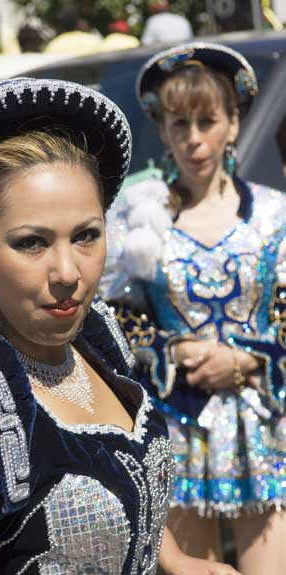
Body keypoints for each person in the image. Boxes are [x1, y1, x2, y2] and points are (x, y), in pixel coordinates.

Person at [0, 77, 241, 575]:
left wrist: (190, 566)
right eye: (32, 242)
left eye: (87, 235)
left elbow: (139, 520)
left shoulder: (97, 337)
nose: (68, 273)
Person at [101, 42, 286, 575]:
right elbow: (116, 322)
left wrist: (247, 361)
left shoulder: (274, 215)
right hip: (178, 425)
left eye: (207, 121)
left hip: (263, 427)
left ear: (233, 124)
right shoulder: (139, 220)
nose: (194, 139)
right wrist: (174, 347)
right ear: (163, 131)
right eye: (179, 123)